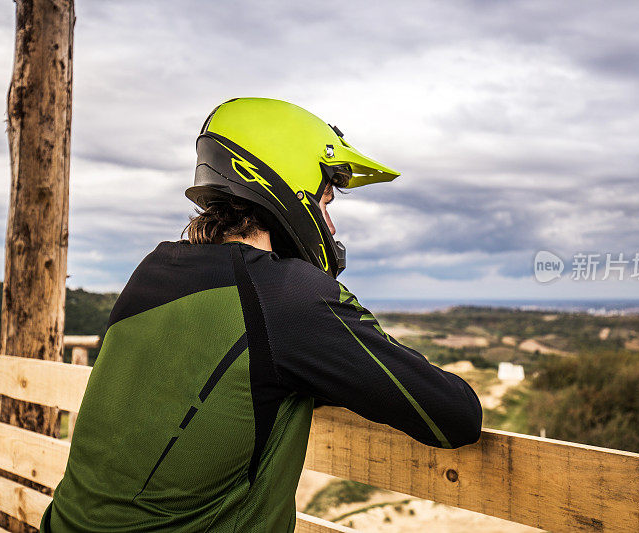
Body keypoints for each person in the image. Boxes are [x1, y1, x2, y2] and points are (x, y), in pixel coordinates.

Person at [40, 98, 482, 532]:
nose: (331, 227)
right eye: (326, 202)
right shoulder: (287, 294)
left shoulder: (153, 270)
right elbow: (455, 416)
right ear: (292, 187)